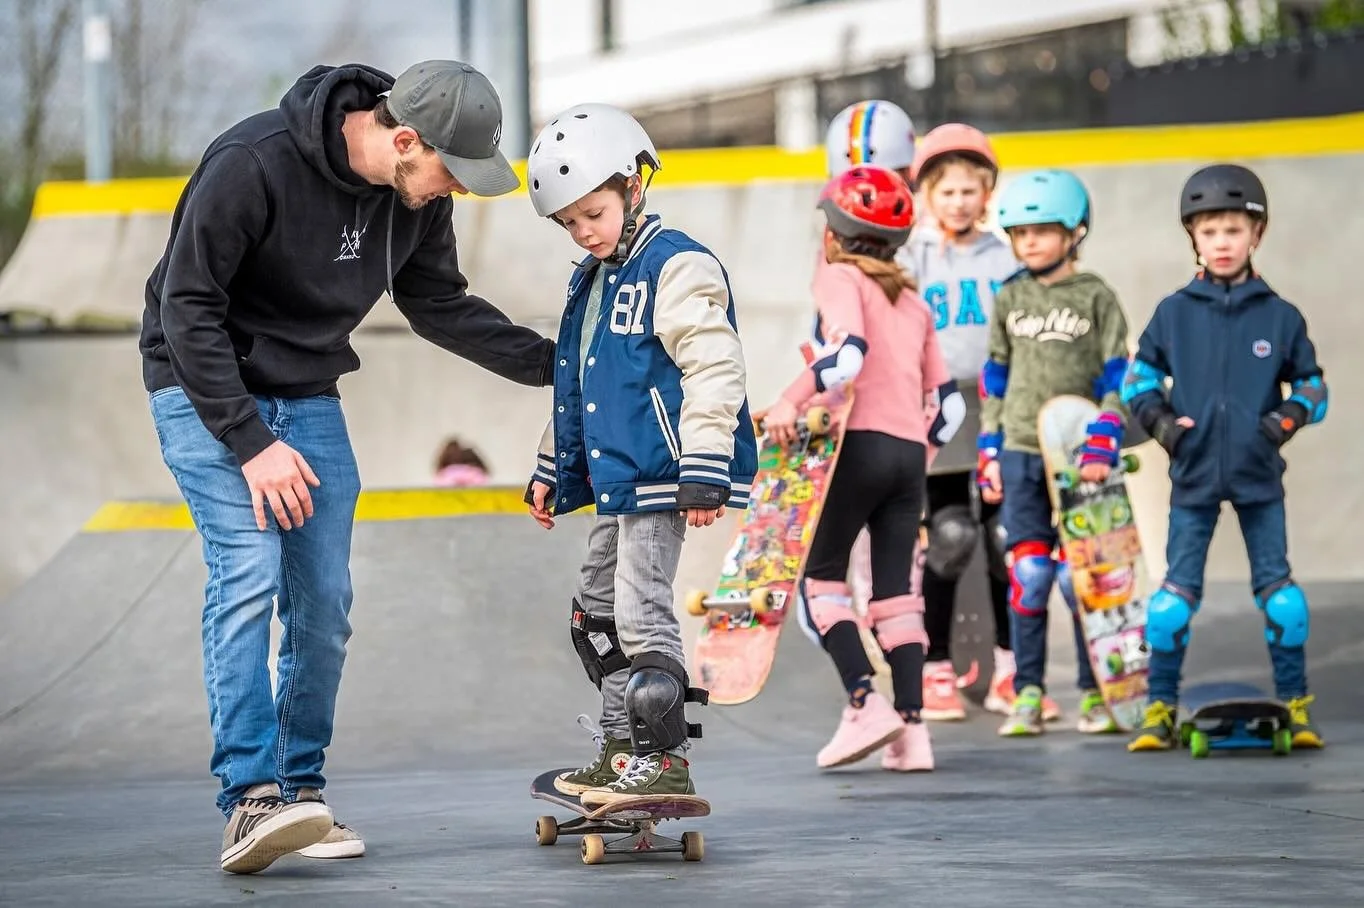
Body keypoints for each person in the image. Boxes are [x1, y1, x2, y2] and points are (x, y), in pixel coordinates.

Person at [140, 60, 555, 874]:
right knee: (249, 572)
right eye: (450, 173)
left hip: (308, 396)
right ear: (404, 138)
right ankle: (249, 800)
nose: (455, 192)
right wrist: (250, 444)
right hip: (203, 391)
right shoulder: (251, 163)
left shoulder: (414, 197)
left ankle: (299, 797)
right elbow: (187, 309)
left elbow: (439, 303)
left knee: (324, 603)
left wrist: (558, 365)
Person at [522, 103, 757, 806]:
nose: (582, 232)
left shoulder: (674, 265)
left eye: (591, 212)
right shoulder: (593, 280)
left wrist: (705, 466)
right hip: (617, 480)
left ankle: (662, 760)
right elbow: (579, 383)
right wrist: (550, 466)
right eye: (568, 224)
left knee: (641, 612)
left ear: (633, 185)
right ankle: (624, 750)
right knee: (593, 619)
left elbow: (716, 366)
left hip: (666, 475)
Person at [765, 165, 963, 772]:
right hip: (909, 460)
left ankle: (862, 700)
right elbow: (949, 408)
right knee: (897, 595)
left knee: (822, 582)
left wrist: (788, 400)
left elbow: (847, 358)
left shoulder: (838, 275)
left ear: (836, 232)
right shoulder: (914, 302)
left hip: (858, 448)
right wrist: (913, 456)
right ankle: (910, 732)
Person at [1122, 164, 1326, 752]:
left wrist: (1280, 424)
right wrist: (1163, 427)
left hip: (1259, 474)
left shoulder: (1280, 316)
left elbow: (1314, 386)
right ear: (1193, 237)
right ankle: (1159, 708)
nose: (1222, 242)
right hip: (1193, 473)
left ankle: (1296, 704)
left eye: (1233, 230)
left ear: (1255, 235)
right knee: (1169, 607)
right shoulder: (1174, 312)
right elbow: (1138, 382)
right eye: (1209, 231)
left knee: (1283, 600)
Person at [977, 169, 1130, 738]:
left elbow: (1120, 374)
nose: (1030, 242)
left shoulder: (1095, 295)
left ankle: (1097, 693)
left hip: (1081, 457)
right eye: (1019, 233)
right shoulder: (1011, 296)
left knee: (1083, 578)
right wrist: (989, 447)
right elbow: (995, 377)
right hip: (1019, 450)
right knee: (1032, 573)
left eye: (1043, 230)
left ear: (1075, 232)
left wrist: (1105, 432)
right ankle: (1030, 693)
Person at [900, 123, 1030, 722]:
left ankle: (1012, 669)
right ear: (927, 193)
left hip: (1000, 409)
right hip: (939, 409)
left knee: (1010, 542)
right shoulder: (913, 253)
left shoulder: (1006, 254)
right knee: (948, 540)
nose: (959, 202)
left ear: (987, 194)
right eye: (947, 191)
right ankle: (936, 671)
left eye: (970, 192)